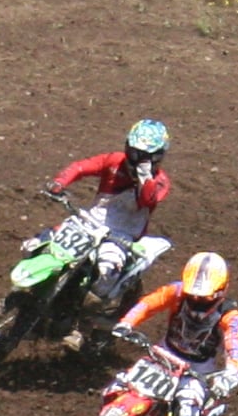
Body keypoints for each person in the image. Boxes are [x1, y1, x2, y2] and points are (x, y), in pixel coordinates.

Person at [108, 251, 238, 416]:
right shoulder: (178, 291)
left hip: (197, 370)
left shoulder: (228, 313)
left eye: (202, 299)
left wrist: (231, 371)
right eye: (193, 296)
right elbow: (149, 303)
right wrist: (127, 322)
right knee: (123, 383)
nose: (195, 302)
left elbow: (235, 342)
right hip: (163, 355)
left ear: (220, 291)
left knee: (188, 407)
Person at [45, 118, 172, 314]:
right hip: (90, 220)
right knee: (47, 240)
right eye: (135, 152)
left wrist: (145, 177)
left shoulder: (160, 182)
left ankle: (83, 324)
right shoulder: (115, 161)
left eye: (145, 156)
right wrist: (59, 183)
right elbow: (82, 167)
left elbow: (147, 199)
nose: (137, 158)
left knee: (107, 270)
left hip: (122, 235)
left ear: (157, 157)